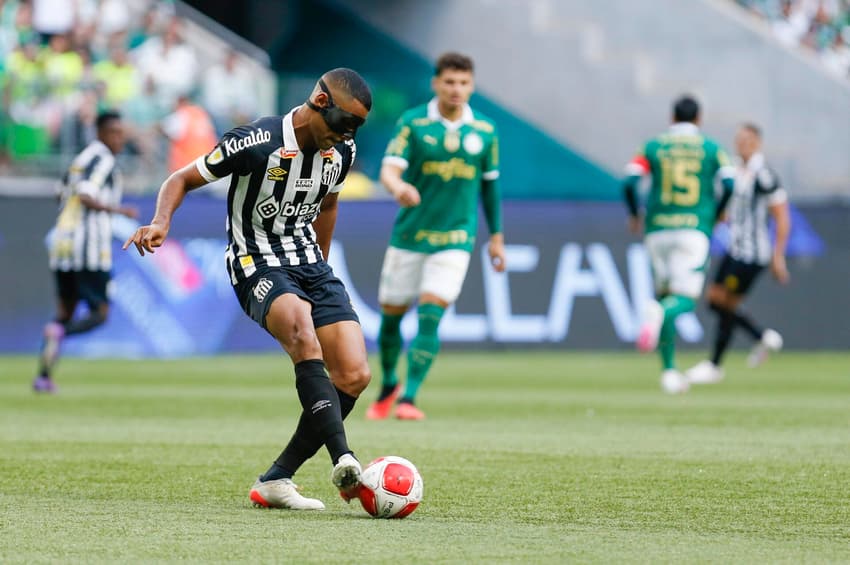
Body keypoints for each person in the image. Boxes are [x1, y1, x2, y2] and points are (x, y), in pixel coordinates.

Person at [123, 68, 373, 511]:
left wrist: (322, 264)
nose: (342, 137)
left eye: (352, 130)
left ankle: (277, 480)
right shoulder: (255, 142)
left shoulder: (342, 152)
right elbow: (181, 178)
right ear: (319, 102)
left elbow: (328, 203)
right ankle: (344, 458)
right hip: (254, 261)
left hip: (308, 264)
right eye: (339, 126)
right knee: (300, 331)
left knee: (354, 374)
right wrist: (161, 221)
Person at [365, 52, 505, 421]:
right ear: (436, 84)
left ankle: (409, 398)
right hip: (410, 236)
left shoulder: (486, 132)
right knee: (391, 319)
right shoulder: (413, 123)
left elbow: (490, 189)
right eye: (450, 82)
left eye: (463, 83)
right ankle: (389, 383)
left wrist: (496, 237)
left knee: (430, 314)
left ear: (471, 85)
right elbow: (389, 170)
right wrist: (398, 188)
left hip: (456, 238)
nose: (456, 89)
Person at [623, 94, 735, 394]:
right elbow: (729, 184)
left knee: (665, 296)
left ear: (672, 118)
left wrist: (635, 214)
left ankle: (669, 371)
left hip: (657, 229)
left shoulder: (653, 146)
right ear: (699, 119)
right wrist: (718, 211)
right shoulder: (711, 148)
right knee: (683, 300)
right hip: (693, 229)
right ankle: (658, 317)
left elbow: (629, 181)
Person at [33, 110, 138, 393]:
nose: (119, 139)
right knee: (100, 313)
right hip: (87, 247)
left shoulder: (79, 159)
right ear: (101, 134)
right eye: (114, 133)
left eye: (121, 133)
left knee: (64, 312)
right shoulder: (103, 159)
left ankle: (43, 376)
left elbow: (61, 193)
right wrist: (119, 210)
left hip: (62, 245)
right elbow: (86, 194)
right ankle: (60, 333)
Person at [686, 123, 791, 384]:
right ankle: (761, 338)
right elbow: (727, 209)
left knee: (723, 303)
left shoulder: (764, 175)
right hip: (735, 249)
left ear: (757, 142)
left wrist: (779, 256)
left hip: (752, 254)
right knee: (716, 301)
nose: (741, 144)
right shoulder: (733, 170)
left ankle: (716, 365)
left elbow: (782, 217)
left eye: (747, 140)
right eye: (738, 139)